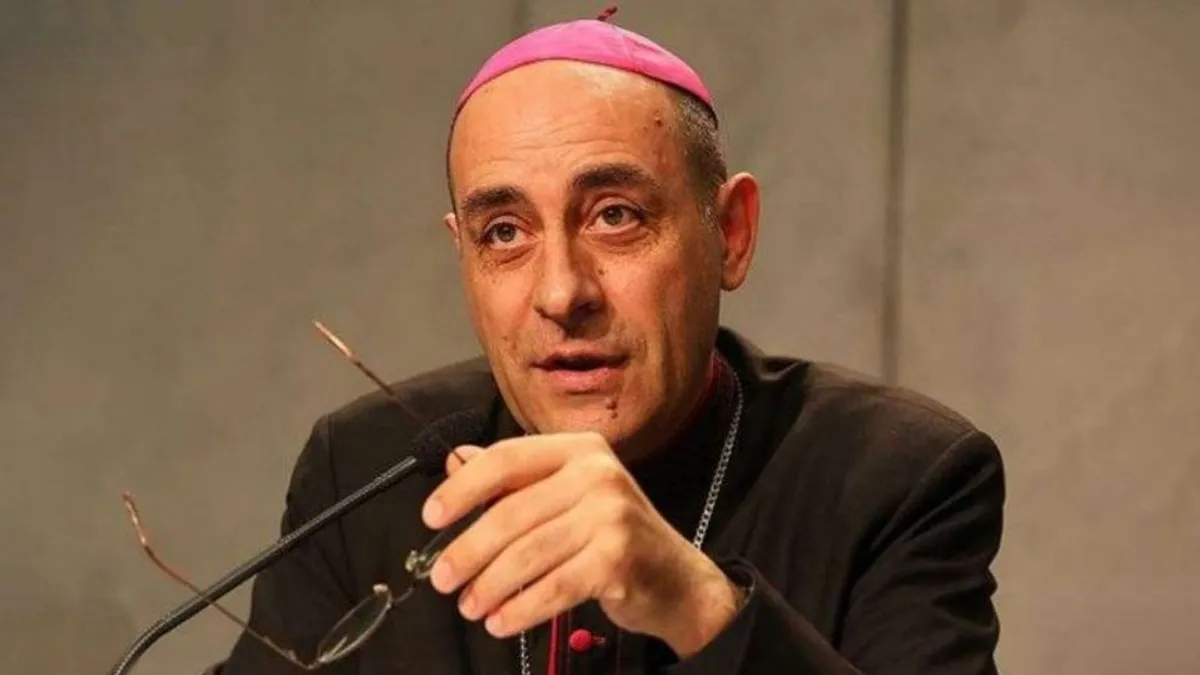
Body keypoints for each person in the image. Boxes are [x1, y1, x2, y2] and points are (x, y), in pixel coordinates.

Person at [212, 11, 1005, 675]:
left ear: (730, 233)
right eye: (505, 232)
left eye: (615, 216)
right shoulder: (363, 472)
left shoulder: (895, 477)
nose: (562, 293)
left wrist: (696, 603)